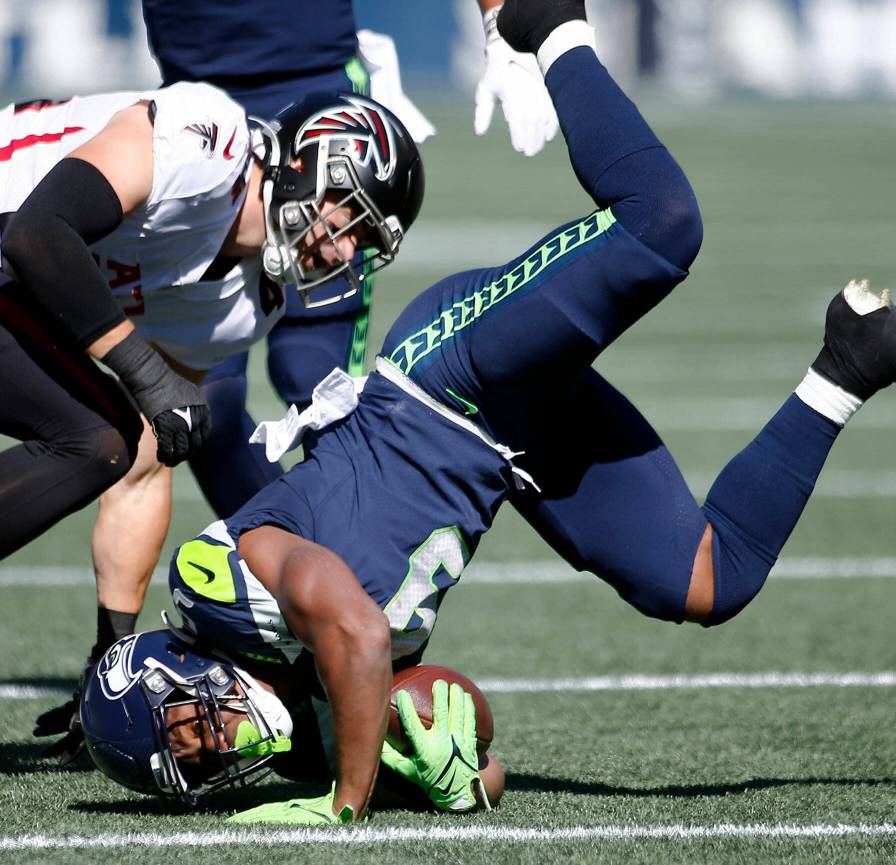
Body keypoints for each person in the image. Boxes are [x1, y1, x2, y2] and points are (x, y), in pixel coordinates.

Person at [85, 0, 896, 824]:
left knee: (660, 223)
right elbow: (472, 747)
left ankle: (548, 23)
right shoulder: (309, 720)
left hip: (444, 374)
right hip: (496, 446)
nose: (211, 737)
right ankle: (854, 357)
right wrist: (448, 753)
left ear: (174, 667)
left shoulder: (216, 582)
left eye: (186, 724)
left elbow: (360, 631)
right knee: (706, 578)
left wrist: (347, 802)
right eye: (198, 755)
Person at [34, 0, 560, 766]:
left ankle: (352, 624)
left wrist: (503, 24)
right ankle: (278, 638)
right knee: (196, 409)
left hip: (315, 110)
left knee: (311, 378)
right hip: (205, 112)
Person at [0, 85, 424, 755]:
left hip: (12, 287)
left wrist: (108, 663)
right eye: (351, 217)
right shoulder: (211, 142)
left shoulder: (249, 304)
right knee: (93, 434)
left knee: (106, 439)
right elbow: (36, 234)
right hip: (9, 241)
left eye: (365, 241)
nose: (345, 252)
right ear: (309, 163)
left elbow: (142, 456)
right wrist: (141, 367)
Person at [80, 626, 506, 817]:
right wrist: (451, 776)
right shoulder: (301, 752)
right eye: (201, 766)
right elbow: (489, 777)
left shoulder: (254, 617)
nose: (221, 748)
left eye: (198, 728)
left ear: (182, 664)